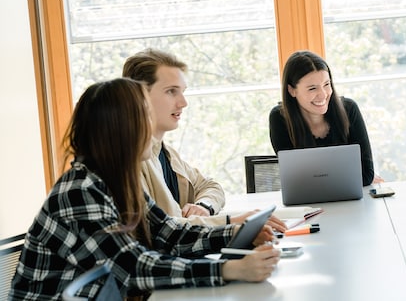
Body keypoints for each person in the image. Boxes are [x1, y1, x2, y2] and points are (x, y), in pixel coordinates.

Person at [9, 78, 280, 300]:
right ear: (123, 130)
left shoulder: (116, 179)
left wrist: (235, 234)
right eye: (146, 118)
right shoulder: (79, 190)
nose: (152, 129)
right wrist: (229, 269)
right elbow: (133, 267)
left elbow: (168, 233)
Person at [123, 49, 286, 231]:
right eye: (171, 91)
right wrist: (233, 222)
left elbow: (211, 186)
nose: (183, 102)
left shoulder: (167, 153)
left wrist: (204, 207)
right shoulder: (131, 160)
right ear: (139, 96)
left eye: (182, 92)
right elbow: (166, 232)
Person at [269, 50, 382, 186]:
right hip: (307, 204)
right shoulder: (280, 118)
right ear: (292, 90)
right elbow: (296, 182)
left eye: (327, 85)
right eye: (312, 88)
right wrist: (348, 178)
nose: (323, 95)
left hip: (349, 201)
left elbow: (366, 174)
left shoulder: (349, 109)